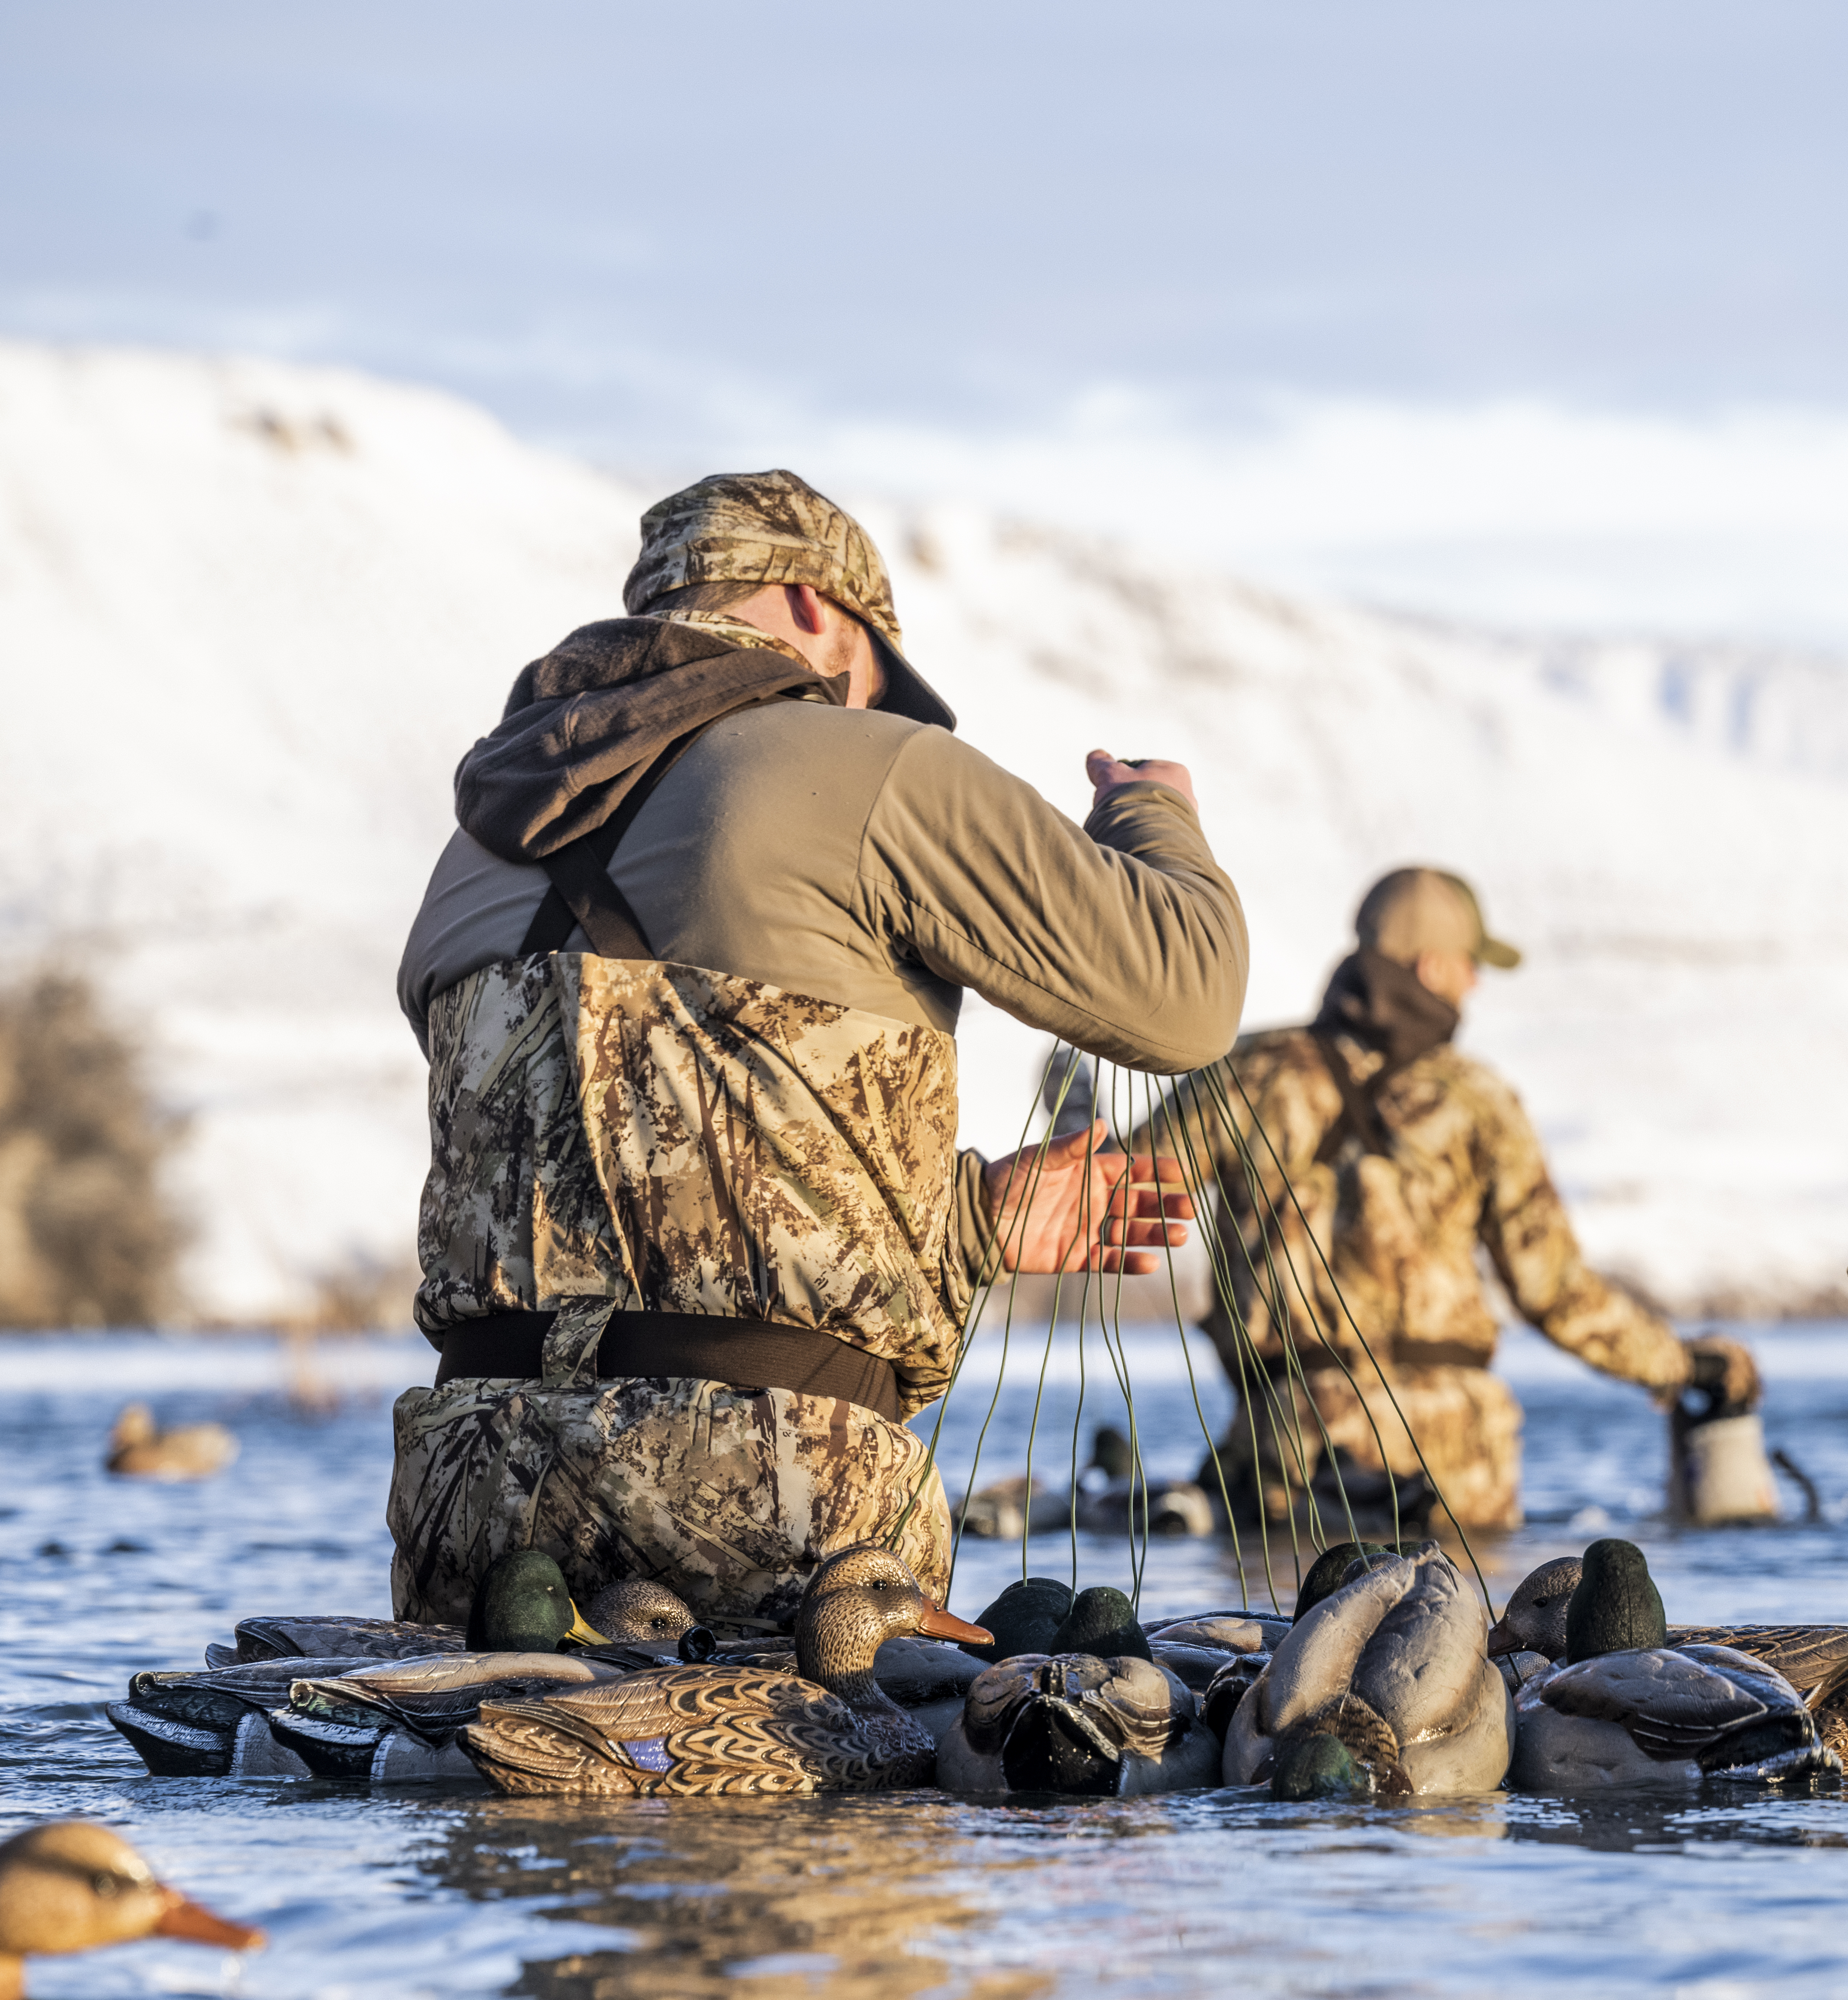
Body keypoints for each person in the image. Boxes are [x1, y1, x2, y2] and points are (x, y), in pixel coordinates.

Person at [388, 469, 1244, 1629]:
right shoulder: (875, 766)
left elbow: (624, 1206)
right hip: (774, 1492)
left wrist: (980, 1222)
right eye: (878, 679)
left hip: (471, 1501)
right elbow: (1183, 997)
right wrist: (1156, 818)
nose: (873, 708)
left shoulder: (472, 855)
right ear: (812, 607)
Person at [1139, 867, 1758, 1535]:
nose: (1476, 984)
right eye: (1469, 965)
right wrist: (1679, 1363)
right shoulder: (1479, 1100)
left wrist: (1078, 1129)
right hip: (1458, 1470)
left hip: (1291, 1451)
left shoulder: (1244, 1076)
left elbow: (1118, 1196)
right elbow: (1553, 1292)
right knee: (1466, 1633)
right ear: (1431, 968)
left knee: (1286, 1631)